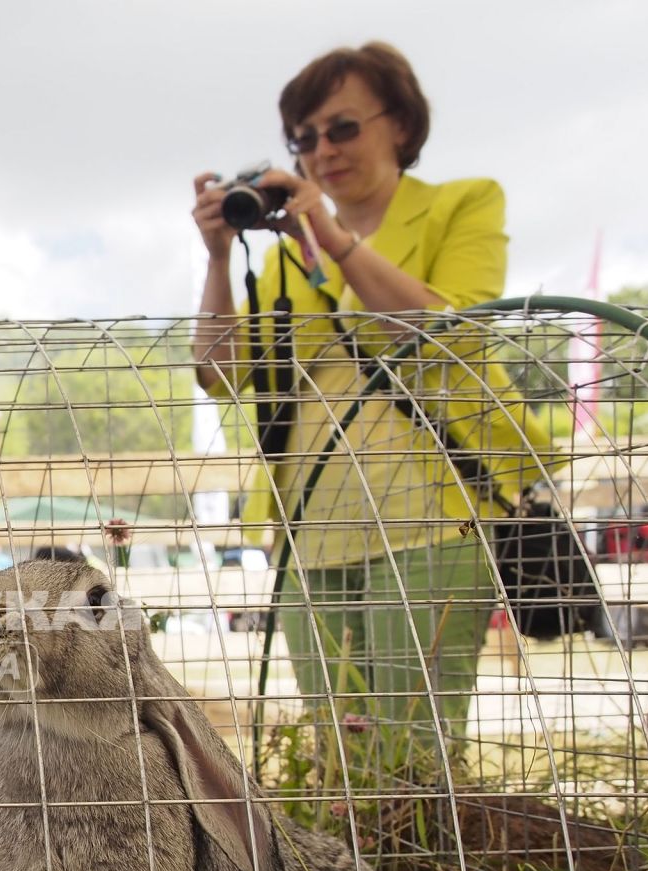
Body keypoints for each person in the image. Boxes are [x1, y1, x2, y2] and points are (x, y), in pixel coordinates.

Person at [189, 42, 553, 775]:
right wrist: (220, 258)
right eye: (304, 139)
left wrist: (335, 238)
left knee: (413, 760)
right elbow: (218, 374)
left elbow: (451, 333)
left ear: (402, 126)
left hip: (432, 524)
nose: (322, 151)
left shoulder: (463, 203)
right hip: (311, 533)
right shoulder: (289, 255)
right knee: (338, 764)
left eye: (343, 128)